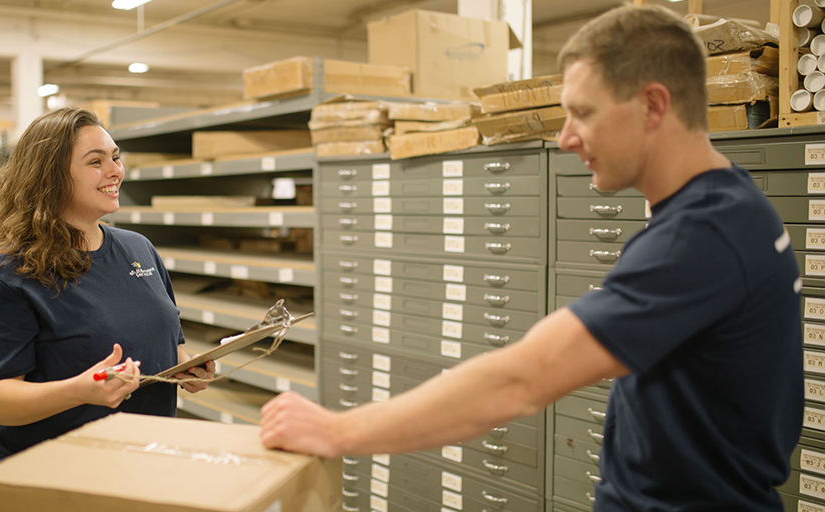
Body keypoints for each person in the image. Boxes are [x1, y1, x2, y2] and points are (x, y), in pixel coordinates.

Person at [260, 6, 802, 510]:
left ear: (653, 105)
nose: (566, 138)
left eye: (582, 113)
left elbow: (522, 380)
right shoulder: (734, 202)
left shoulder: (698, 238)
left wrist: (338, 431)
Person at [0, 107, 215, 465]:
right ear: (51, 177)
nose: (115, 171)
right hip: (53, 472)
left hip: (143, 459)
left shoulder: (138, 249)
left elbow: (167, 345)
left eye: (115, 157)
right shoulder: (10, 274)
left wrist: (189, 368)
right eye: (95, 161)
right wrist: (78, 391)